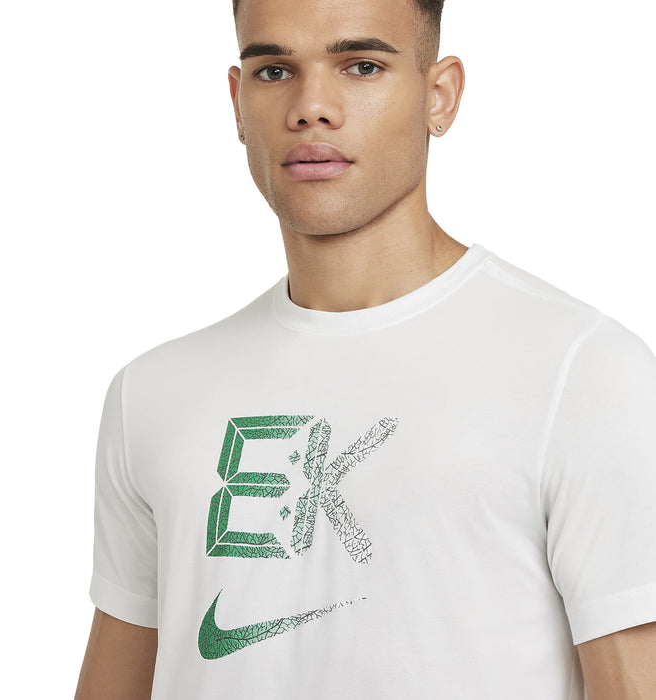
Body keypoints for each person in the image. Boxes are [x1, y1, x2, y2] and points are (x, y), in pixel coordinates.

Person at [74, 0, 656, 698]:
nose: (311, 108)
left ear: (440, 95)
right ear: (237, 102)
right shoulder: (152, 392)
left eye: (361, 66)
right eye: (275, 71)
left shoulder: (583, 373)